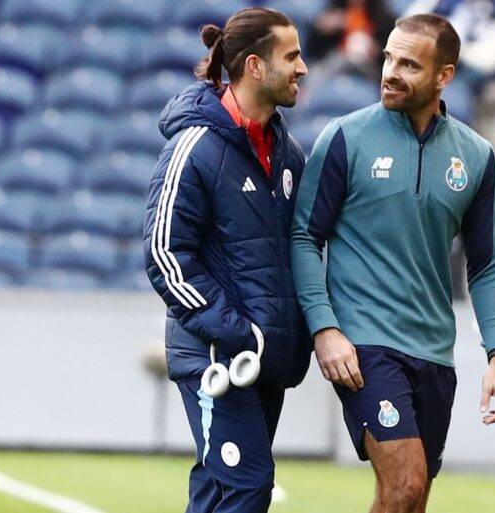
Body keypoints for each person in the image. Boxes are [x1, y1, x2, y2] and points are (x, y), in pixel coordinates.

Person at [291, 14, 495, 513]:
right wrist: (324, 328)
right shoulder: (345, 137)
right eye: (389, 57)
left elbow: (487, 264)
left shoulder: (476, 157)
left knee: (410, 502)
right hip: (365, 344)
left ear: (444, 76)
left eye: (409, 64)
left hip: (435, 353)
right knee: (406, 483)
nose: (390, 71)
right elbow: (304, 237)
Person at [143, 8, 310, 513]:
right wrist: (239, 332)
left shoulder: (288, 153)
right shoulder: (193, 147)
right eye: (291, 56)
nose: (302, 68)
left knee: (219, 490)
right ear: (255, 66)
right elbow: (164, 253)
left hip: (263, 362)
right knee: (247, 487)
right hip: (217, 356)